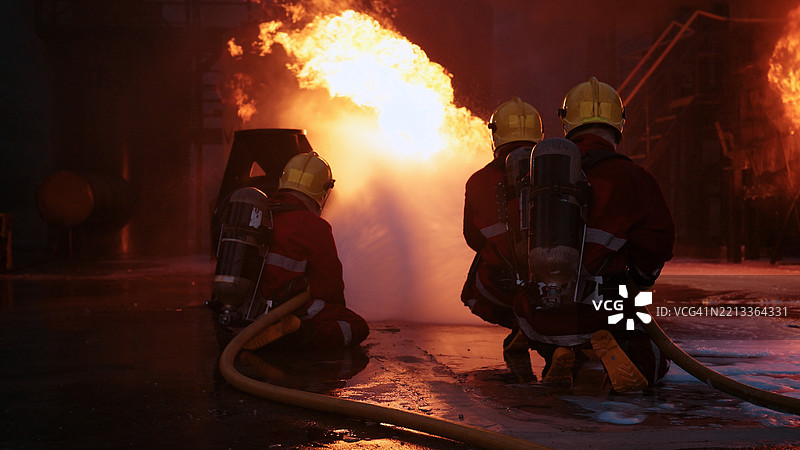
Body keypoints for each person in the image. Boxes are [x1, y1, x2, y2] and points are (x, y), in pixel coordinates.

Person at [514, 77, 674, 392]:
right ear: (619, 123)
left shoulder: (534, 176)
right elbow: (659, 240)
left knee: (555, 318)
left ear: (565, 121)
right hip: (599, 310)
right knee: (656, 360)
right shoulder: (632, 176)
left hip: (534, 313)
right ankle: (614, 348)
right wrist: (640, 280)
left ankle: (558, 352)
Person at [246, 152, 370, 350]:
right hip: (281, 307)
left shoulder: (260, 212)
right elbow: (329, 289)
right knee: (356, 326)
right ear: (322, 192)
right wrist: (336, 311)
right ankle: (297, 336)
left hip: (242, 306)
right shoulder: (315, 226)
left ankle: (259, 331)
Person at [461, 98, 543, 359]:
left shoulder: (479, 180)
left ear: (495, 135)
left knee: (471, 293)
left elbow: (473, 238)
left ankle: (521, 325)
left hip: (502, 284)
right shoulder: (562, 171)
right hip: (564, 281)